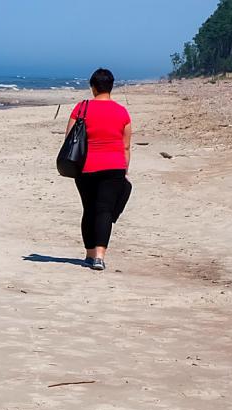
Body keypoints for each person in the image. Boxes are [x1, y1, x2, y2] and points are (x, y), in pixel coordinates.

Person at [67, 68, 132, 271]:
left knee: (89, 209)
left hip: (85, 167)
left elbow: (69, 137)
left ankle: (88, 254)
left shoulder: (81, 108)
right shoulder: (122, 112)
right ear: (111, 87)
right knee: (104, 210)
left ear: (93, 87)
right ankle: (100, 257)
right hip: (114, 167)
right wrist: (125, 168)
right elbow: (126, 145)